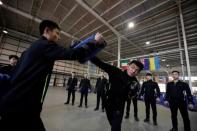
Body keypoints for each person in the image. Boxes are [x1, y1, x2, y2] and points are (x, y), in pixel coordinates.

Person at [0, 20, 103, 131]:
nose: (58, 38)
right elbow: (72, 54)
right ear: (47, 30)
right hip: (22, 106)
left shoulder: (31, 49)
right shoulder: (45, 45)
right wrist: (94, 42)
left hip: (14, 103)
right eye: (57, 33)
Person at [90, 57, 144, 131]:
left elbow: (129, 98)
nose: (133, 70)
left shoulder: (135, 83)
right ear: (128, 66)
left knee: (116, 127)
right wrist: (89, 55)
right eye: (133, 67)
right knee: (112, 123)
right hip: (108, 102)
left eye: (137, 70)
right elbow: (101, 64)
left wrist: (132, 93)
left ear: (138, 73)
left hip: (119, 106)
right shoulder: (116, 72)